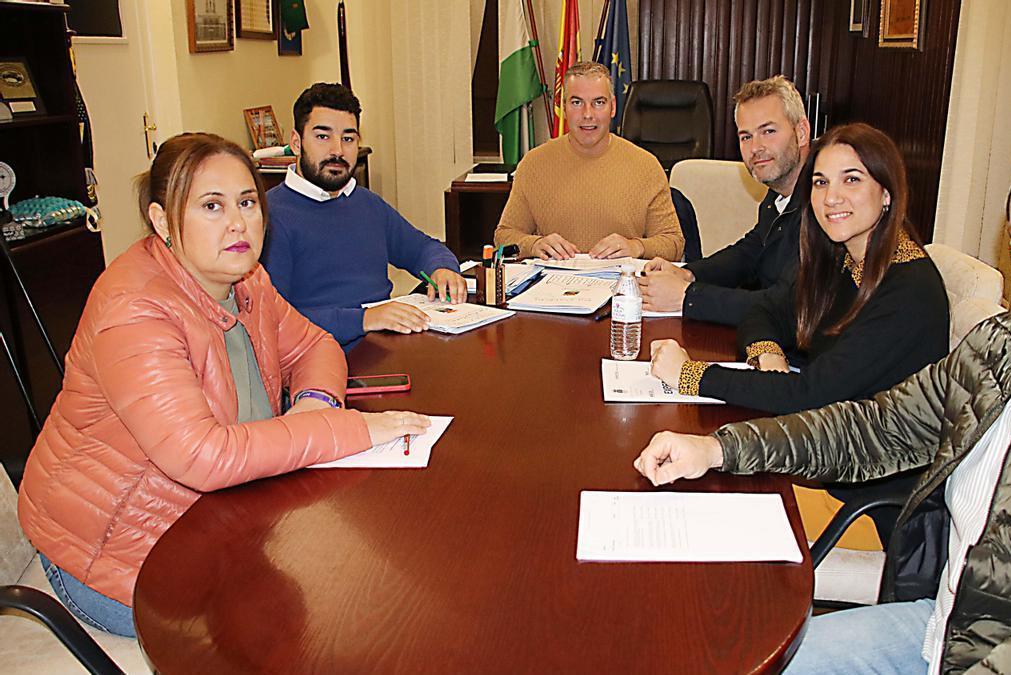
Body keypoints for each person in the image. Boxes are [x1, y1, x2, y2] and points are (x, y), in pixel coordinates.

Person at [634, 139, 1011, 673]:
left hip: (1009, 656)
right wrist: (717, 448)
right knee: (722, 658)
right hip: (943, 630)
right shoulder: (1002, 346)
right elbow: (874, 426)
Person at [17, 133, 431, 637]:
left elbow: (314, 346)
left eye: (248, 202)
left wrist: (315, 404)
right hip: (119, 553)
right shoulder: (134, 311)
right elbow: (202, 456)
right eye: (212, 206)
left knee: (361, 583)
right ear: (163, 221)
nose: (238, 223)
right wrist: (343, 429)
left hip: (221, 514)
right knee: (286, 627)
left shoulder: (245, 276)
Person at [649, 123, 948, 540]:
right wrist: (766, 350)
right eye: (821, 182)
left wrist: (691, 375)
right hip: (810, 454)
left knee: (686, 514)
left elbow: (813, 395)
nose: (832, 198)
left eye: (852, 180)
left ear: (887, 194)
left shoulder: (909, 293)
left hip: (863, 497)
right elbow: (766, 310)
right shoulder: (840, 258)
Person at [261, 83, 466, 349]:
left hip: (387, 345)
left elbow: (422, 247)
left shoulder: (365, 203)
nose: (338, 150)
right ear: (297, 143)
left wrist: (442, 269)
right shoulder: (270, 217)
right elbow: (275, 320)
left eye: (348, 138)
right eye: (323, 137)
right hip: (325, 358)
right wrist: (363, 319)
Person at [638, 75, 812, 326]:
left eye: (769, 131)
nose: (756, 148)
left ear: (802, 132)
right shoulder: (779, 191)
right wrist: (688, 273)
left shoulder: (826, 201)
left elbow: (788, 306)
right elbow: (751, 252)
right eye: (746, 137)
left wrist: (687, 297)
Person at [492, 61, 684, 261]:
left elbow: (674, 244)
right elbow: (503, 237)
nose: (587, 114)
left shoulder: (646, 166)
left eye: (598, 102)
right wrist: (534, 245)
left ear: (613, 107)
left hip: (623, 287)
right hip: (553, 287)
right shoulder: (533, 164)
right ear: (564, 108)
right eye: (576, 102)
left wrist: (637, 247)